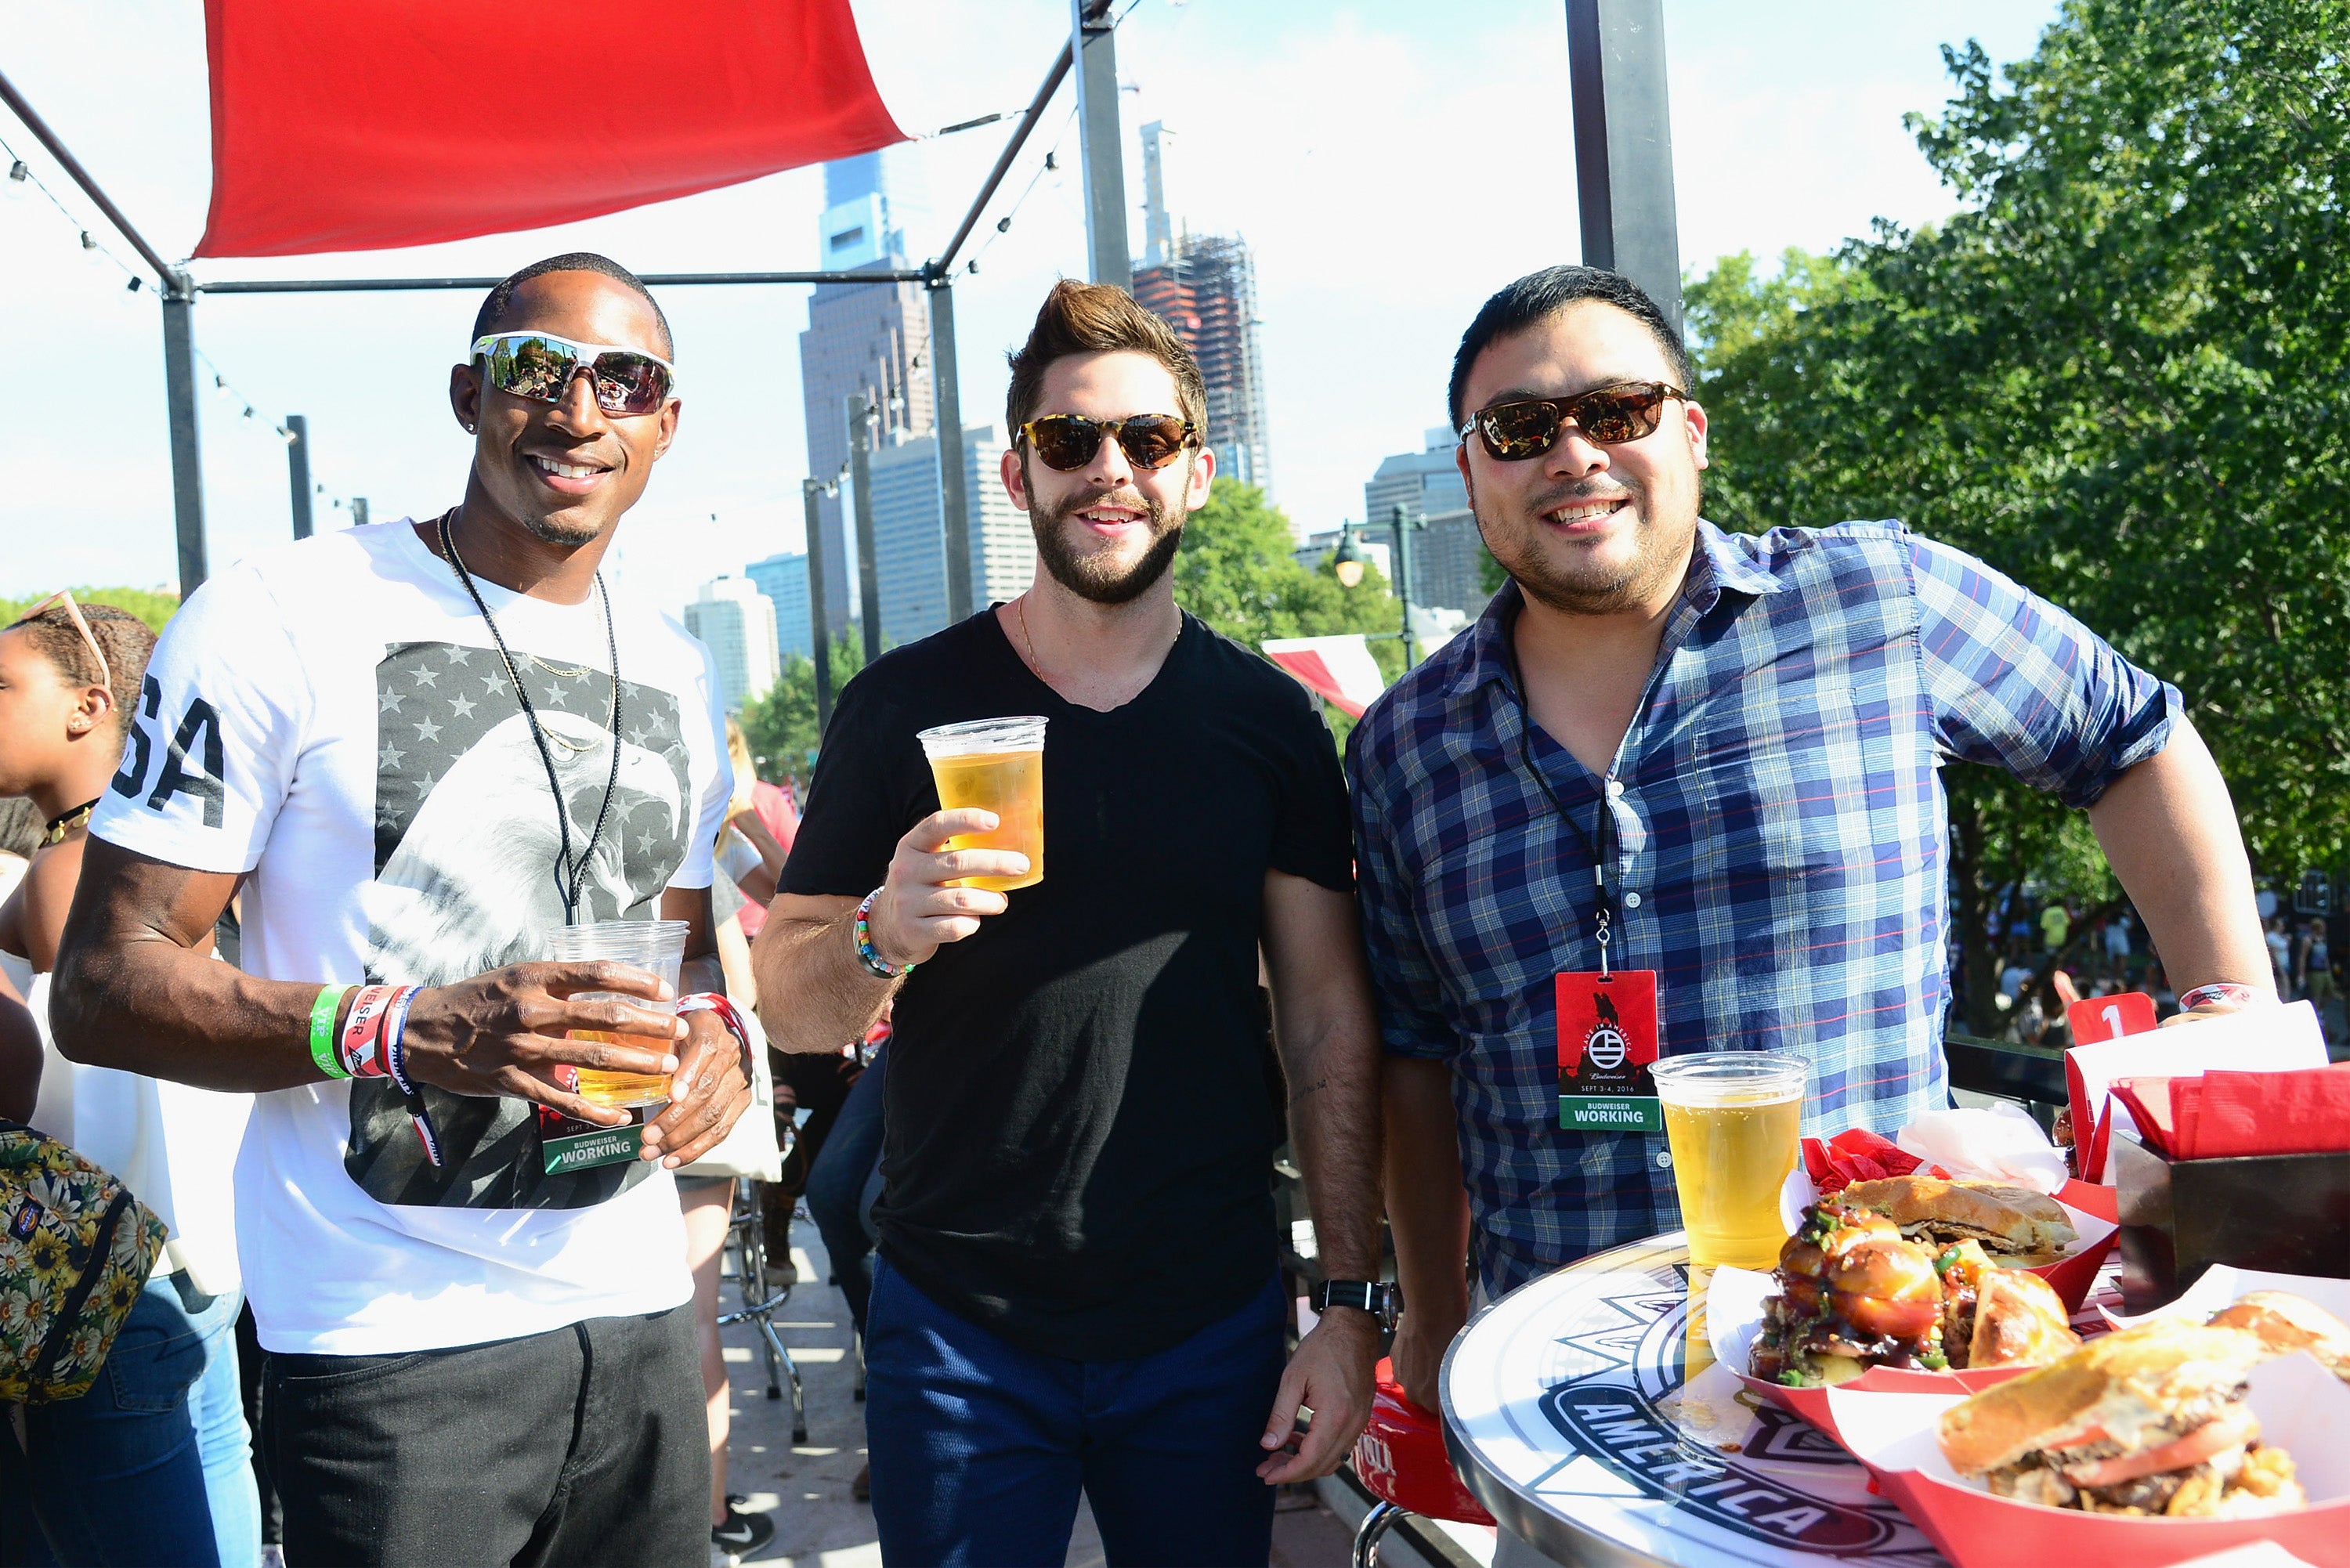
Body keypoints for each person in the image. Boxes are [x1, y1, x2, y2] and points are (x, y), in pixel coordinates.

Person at [1353, 266, 2273, 1454]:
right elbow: (1415, 1057)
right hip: (1561, 1398)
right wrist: (1426, 1312)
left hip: (1883, 1369)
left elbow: (2136, 741)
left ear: (1689, 430)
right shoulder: (1402, 745)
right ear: (1472, 469)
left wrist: (2228, 1026)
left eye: (1619, 412)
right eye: (1521, 429)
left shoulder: (1880, 597)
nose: (1573, 454)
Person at [51, 253, 753, 1568]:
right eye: (534, 368)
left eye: (626, 379)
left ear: (666, 423)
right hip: (390, 1350)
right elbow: (105, 982)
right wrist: (399, 1027)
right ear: (468, 396)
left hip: (640, 1312)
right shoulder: (280, 616)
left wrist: (722, 1040)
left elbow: (690, 958)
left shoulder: (669, 654)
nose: (578, 408)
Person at [754, 278, 1385, 1566]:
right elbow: (792, 1005)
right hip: (959, 1323)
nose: (1110, 470)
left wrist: (1348, 1302)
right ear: (1017, 472)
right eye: (1070, 441)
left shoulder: (1264, 723)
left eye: (1147, 441)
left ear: (1197, 473)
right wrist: (883, 931)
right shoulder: (902, 706)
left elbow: (1325, 1026)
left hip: (1206, 1315)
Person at [0, 593, 263, 1568]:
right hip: (198, 1262)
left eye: (2, 686)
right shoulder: (172, 862)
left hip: (102, 1278)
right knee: (217, 1463)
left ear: (90, 704)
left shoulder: (71, 870)